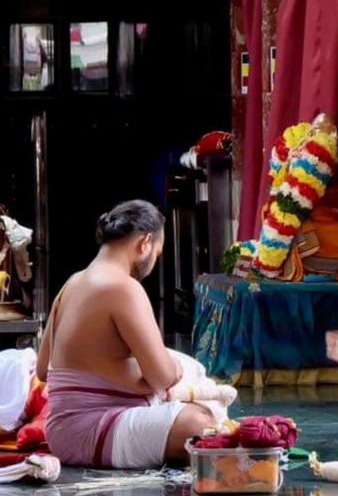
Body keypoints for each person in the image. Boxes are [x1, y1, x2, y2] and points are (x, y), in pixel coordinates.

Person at [37, 199, 215, 468]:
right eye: (157, 252)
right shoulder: (124, 287)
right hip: (91, 431)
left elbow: (42, 370)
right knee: (200, 423)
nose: (154, 261)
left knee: (201, 406)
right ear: (145, 243)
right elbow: (163, 377)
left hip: (62, 432)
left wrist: (121, 376)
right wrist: (172, 369)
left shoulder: (72, 282)